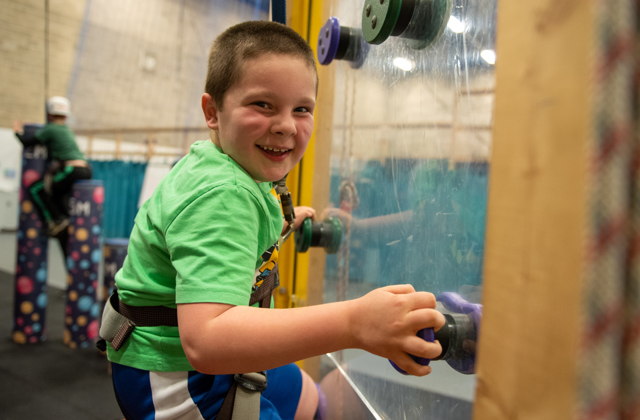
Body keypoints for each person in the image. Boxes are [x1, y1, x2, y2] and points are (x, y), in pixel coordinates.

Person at [101, 21, 445, 420]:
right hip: (174, 374)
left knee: (309, 400)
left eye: (302, 109)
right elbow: (208, 341)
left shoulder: (229, 165)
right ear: (213, 112)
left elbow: (215, 240)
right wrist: (355, 323)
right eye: (263, 105)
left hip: (185, 349)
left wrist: (284, 221)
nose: (285, 124)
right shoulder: (222, 194)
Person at [13, 96, 92, 253]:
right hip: (83, 169)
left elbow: (27, 141)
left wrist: (17, 131)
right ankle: (61, 217)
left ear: (49, 114)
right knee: (56, 193)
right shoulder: (65, 130)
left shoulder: (51, 129)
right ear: (66, 116)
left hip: (72, 169)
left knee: (37, 189)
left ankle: (56, 220)